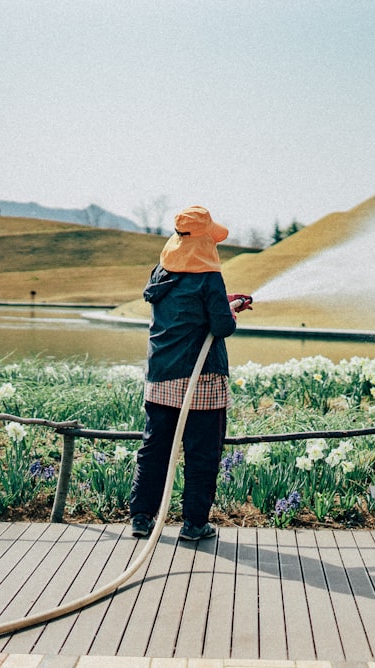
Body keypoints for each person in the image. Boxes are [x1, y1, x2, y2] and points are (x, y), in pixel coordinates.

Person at [129, 205, 251, 541]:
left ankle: (141, 517)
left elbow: (186, 304)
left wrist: (218, 302)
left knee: (155, 448)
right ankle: (194, 524)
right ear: (204, 241)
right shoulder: (209, 277)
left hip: (161, 375)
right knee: (202, 453)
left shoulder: (162, 272)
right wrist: (229, 309)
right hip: (201, 381)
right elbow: (221, 327)